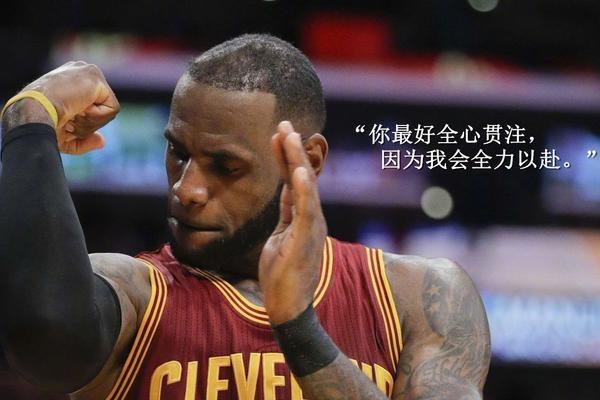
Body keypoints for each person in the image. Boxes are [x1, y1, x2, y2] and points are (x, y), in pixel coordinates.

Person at [0, 34, 490, 400]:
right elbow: (43, 339)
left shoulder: (416, 295)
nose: (186, 189)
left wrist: (296, 326)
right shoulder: (137, 294)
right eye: (178, 153)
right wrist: (29, 121)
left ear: (307, 160)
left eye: (225, 166)